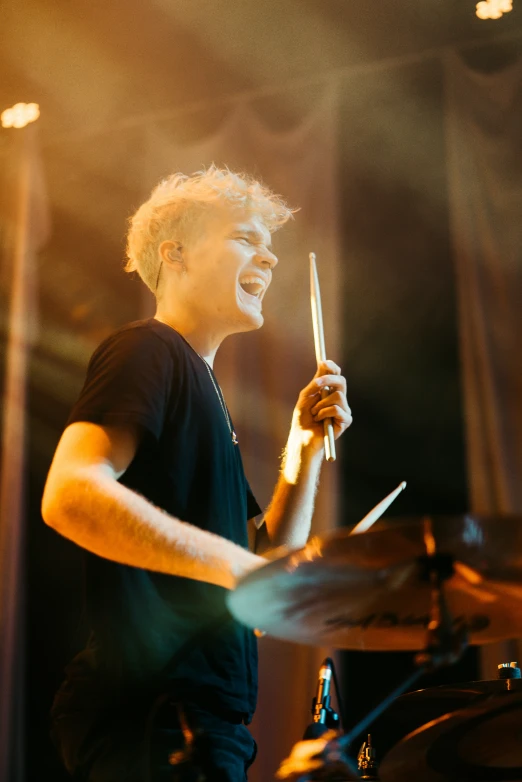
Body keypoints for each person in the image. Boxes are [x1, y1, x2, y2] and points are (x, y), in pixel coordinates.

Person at [42, 166, 352, 781]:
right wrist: (238, 567)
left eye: (269, 244)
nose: (268, 255)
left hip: (205, 724)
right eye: (245, 237)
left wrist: (305, 447)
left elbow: (265, 567)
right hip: (149, 715)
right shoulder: (146, 350)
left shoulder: (204, 388)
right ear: (175, 254)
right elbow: (70, 494)